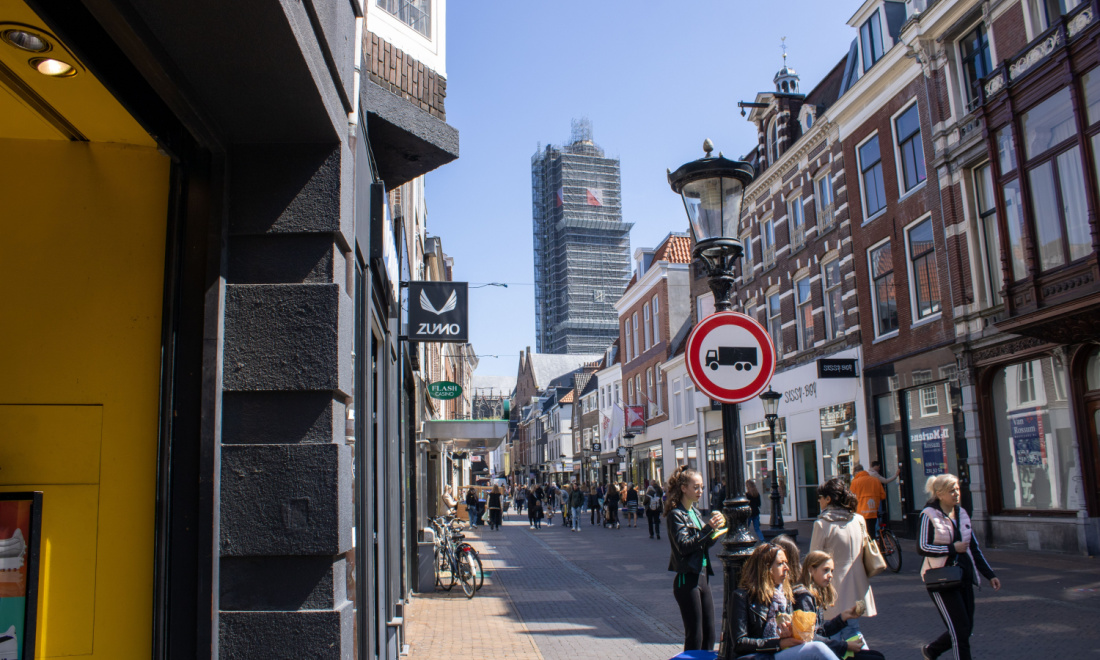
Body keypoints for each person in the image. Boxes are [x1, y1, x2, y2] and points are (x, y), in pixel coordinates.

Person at [918, 473, 1001, 660]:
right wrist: (951, 548)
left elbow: (973, 547)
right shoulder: (928, 515)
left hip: (964, 577)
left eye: (957, 489)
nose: (956, 493)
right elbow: (922, 547)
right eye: (951, 490)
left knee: (965, 629)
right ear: (939, 494)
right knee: (959, 632)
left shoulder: (962, 513)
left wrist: (990, 574)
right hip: (941, 579)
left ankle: (932, 651)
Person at [730, 543, 840, 659]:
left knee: (815, 648)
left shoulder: (786, 596)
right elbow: (740, 642)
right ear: (766, 568)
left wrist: (790, 634)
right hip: (758, 656)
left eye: (786, 563)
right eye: (780, 564)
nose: (786, 568)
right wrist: (778, 643)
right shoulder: (742, 596)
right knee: (817, 649)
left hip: (781, 653)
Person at [665, 466, 726, 652]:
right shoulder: (677, 515)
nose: (700, 492)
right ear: (684, 488)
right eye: (696, 487)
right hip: (688, 578)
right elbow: (683, 546)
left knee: (710, 634)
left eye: (702, 487)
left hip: (703, 573)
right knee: (695, 635)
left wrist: (715, 532)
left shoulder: (696, 513)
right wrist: (707, 530)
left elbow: (702, 544)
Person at [809, 478, 875, 645]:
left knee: (834, 632)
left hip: (833, 587)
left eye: (821, 497)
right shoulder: (858, 520)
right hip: (859, 585)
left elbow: (813, 558)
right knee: (852, 628)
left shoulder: (822, 524)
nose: (819, 501)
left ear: (828, 499)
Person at [794, 551, 884, 660]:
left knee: (877, 656)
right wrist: (845, 646)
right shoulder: (804, 597)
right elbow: (810, 637)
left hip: (822, 648)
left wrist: (843, 618)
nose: (830, 575)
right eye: (825, 570)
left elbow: (820, 631)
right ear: (811, 570)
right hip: (813, 653)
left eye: (831, 571)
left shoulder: (813, 595)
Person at [850, 464, 887, 539]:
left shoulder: (855, 482)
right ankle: (874, 547)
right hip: (873, 512)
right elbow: (883, 496)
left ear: (856, 473)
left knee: (862, 533)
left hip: (861, 512)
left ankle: (866, 549)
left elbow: (851, 498)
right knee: (872, 532)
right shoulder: (875, 480)